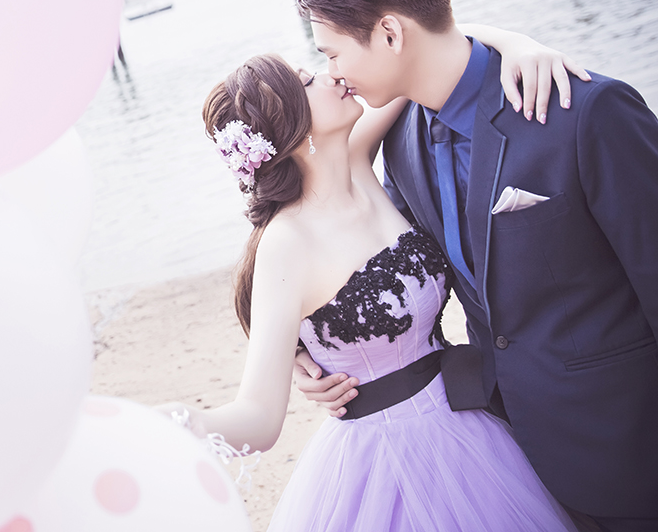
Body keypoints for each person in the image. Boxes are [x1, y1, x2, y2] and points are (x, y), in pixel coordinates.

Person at [291, 0, 658, 532]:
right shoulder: (400, 144)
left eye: (332, 53)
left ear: (389, 33)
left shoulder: (584, 112)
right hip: (512, 455)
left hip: (631, 448)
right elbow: (362, 257)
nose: (332, 73)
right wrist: (303, 346)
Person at [161, 28, 582, 530]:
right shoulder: (285, 245)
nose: (331, 74)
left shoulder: (356, 161)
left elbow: (426, 52)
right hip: (386, 456)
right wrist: (179, 424)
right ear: (291, 128)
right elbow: (259, 418)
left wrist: (516, 44)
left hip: (469, 417)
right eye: (307, 80)